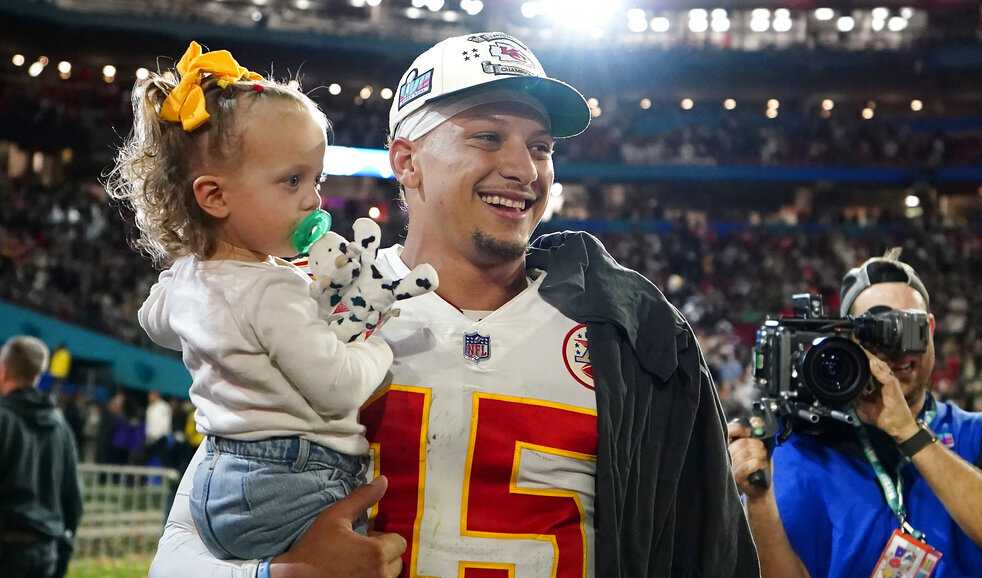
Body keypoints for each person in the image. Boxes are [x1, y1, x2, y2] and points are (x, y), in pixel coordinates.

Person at [149, 31, 758, 578]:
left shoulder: (626, 334)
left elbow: (701, 550)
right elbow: (185, 544)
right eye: (488, 137)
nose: (523, 168)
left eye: (541, 147)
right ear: (407, 162)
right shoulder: (306, 300)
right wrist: (281, 576)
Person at [107, 41, 427, 562]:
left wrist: (185, 269)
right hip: (293, 482)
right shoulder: (270, 291)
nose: (314, 199)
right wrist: (379, 344)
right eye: (292, 181)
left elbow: (153, 320)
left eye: (316, 179)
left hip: (217, 481)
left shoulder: (191, 279)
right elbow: (338, 388)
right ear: (214, 196)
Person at [729, 249, 982, 578]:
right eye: (876, 330)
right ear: (849, 338)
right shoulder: (796, 449)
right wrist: (759, 502)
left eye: (910, 327)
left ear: (931, 326)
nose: (898, 347)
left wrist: (910, 433)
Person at [0, 336, 83, 578]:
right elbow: (74, 500)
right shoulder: (60, 426)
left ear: (4, 371)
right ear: (38, 374)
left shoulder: (3, 418)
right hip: (46, 553)